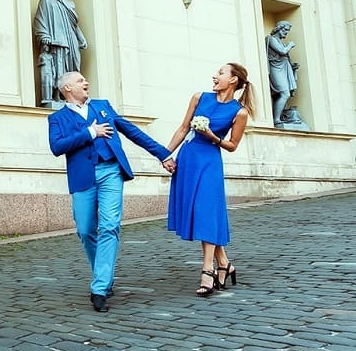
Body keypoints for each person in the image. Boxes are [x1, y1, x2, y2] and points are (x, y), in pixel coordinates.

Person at [48, 72, 175, 312]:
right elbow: (57, 147)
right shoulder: (57, 118)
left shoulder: (103, 106)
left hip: (110, 172)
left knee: (109, 226)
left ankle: (100, 288)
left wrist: (163, 154)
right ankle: (103, 274)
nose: (86, 83)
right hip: (83, 177)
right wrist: (90, 133)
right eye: (80, 81)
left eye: (86, 80)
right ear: (67, 88)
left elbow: (132, 131)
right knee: (85, 230)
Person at [165, 63, 255, 297]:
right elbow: (183, 128)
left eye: (221, 73)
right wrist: (165, 154)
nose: (215, 76)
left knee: (206, 211)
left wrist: (213, 136)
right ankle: (224, 263)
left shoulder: (239, 112)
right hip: (189, 158)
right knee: (200, 212)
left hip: (210, 162)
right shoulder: (199, 97)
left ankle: (208, 270)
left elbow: (233, 146)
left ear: (233, 80)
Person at [34, 0, 88, 106]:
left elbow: (74, 26)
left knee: (73, 68)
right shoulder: (46, 1)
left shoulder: (70, 4)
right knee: (58, 68)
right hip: (57, 41)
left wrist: (81, 38)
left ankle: (71, 98)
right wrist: (44, 35)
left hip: (72, 42)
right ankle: (56, 97)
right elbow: (40, 20)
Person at [266, 21, 298, 127]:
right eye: (284, 30)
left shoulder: (281, 42)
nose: (286, 33)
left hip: (285, 67)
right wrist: (290, 45)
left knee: (284, 93)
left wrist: (293, 67)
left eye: (287, 31)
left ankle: (280, 116)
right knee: (285, 93)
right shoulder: (270, 39)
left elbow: (284, 55)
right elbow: (282, 51)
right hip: (276, 68)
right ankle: (276, 119)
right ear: (278, 29)